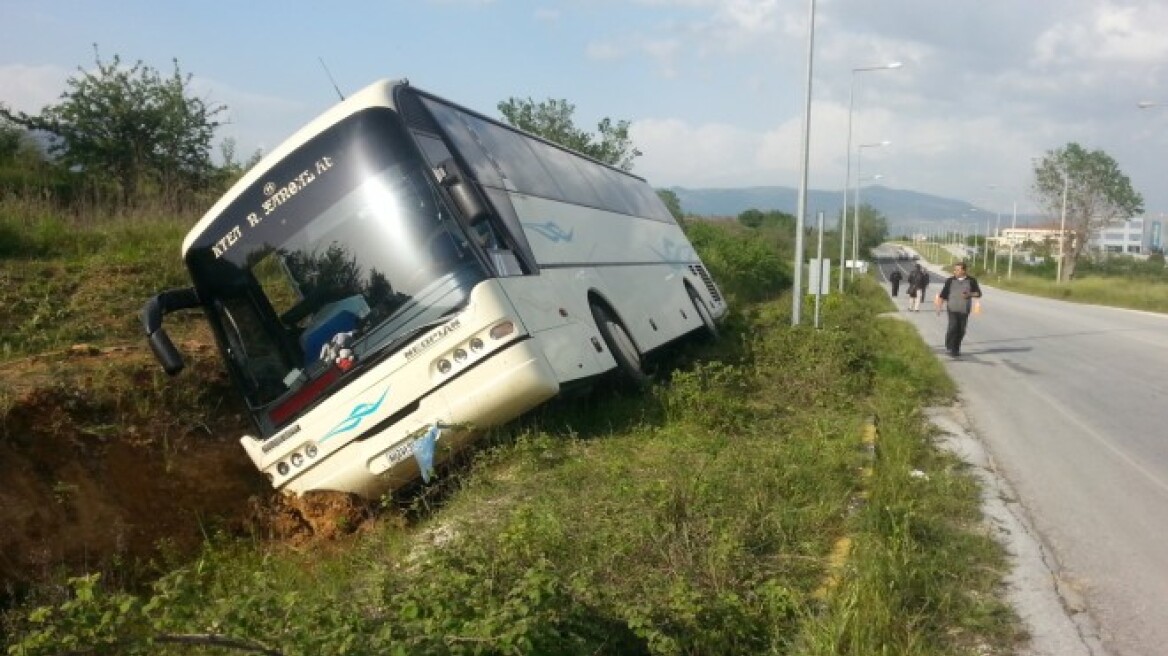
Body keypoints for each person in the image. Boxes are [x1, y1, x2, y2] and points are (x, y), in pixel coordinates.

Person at [934, 262, 982, 357]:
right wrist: (939, 307)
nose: (955, 271)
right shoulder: (950, 281)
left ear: (964, 270)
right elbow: (943, 294)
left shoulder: (971, 280)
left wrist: (969, 294)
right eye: (955, 269)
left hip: (964, 309)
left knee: (961, 330)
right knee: (953, 327)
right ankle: (950, 346)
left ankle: (956, 349)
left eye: (958, 270)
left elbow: (978, 293)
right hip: (952, 308)